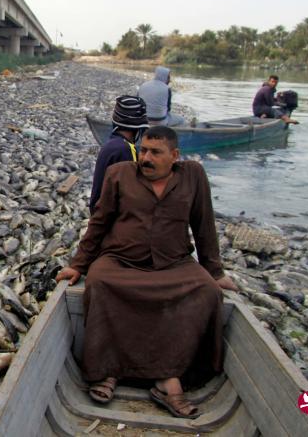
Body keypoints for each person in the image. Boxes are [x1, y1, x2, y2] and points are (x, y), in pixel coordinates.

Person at [56, 126, 237, 419]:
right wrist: (78, 265)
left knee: (206, 292)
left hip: (173, 263)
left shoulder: (193, 175)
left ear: (174, 156)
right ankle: (109, 369)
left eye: (155, 152)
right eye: (143, 150)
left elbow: (204, 226)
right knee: (100, 283)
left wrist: (214, 271)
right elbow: (99, 223)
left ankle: (169, 377)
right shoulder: (119, 174)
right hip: (121, 259)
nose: (146, 158)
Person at [89, 95, 149, 214]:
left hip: (98, 211)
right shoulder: (126, 150)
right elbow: (131, 192)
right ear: (138, 127)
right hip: (108, 218)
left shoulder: (112, 144)